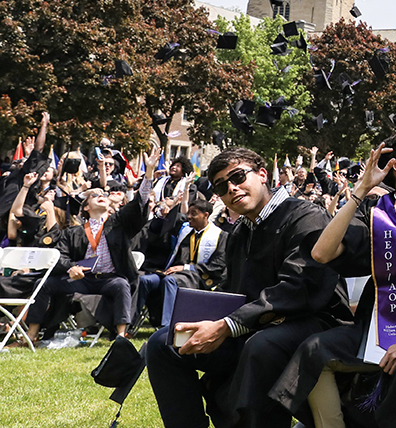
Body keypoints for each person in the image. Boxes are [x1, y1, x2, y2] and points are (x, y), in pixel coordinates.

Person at [271, 130, 396, 428]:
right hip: (385, 324)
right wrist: (360, 190)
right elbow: (321, 253)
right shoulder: (378, 214)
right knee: (314, 350)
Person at [142, 147, 350, 428]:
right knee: (164, 343)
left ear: (262, 174)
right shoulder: (240, 232)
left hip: (314, 321)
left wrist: (227, 325)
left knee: (261, 346)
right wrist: (205, 319)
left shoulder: (305, 216)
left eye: (238, 176)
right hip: (253, 324)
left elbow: (299, 287)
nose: (232, 188)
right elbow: (233, 290)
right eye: (221, 186)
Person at [23, 153, 152, 343]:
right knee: (43, 284)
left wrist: (148, 173)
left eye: (104, 195)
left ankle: (121, 336)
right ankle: (31, 335)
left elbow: (139, 203)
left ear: (109, 205)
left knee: (122, 285)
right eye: (95, 195)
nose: (101, 196)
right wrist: (71, 267)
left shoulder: (118, 223)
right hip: (82, 278)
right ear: (86, 207)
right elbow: (60, 256)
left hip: (110, 279)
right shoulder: (74, 232)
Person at [137, 192, 226, 328]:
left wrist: (185, 268)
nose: (189, 217)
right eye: (189, 213)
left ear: (205, 215)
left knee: (170, 281)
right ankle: (131, 323)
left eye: (193, 213)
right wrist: (164, 214)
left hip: (199, 277)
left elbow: (218, 265)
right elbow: (163, 227)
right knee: (145, 280)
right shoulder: (184, 230)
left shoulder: (220, 235)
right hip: (173, 273)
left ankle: (167, 327)